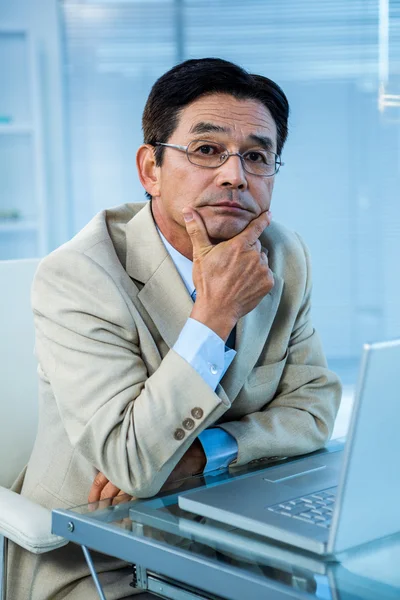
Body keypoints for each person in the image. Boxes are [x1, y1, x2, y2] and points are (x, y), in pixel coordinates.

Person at [8, 57, 341, 599]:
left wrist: (202, 453)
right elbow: (131, 463)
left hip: (238, 541)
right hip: (99, 556)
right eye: (207, 150)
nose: (235, 175)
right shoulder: (80, 275)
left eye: (257, 156)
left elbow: (315, 410)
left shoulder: (284, 255)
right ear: (150, 169)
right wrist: (214, 314)